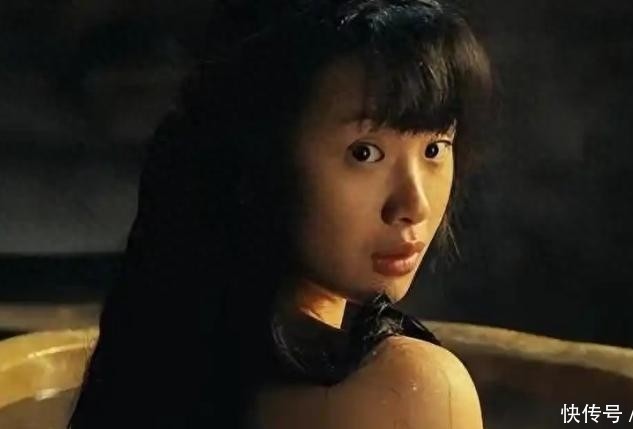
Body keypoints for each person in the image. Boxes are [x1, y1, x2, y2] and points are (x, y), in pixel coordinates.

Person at [68, 0, 492, 427]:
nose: (414, 206)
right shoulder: (413, 389)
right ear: (260, 160)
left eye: (435, 148)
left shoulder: (164, 346)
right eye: (364, 153)